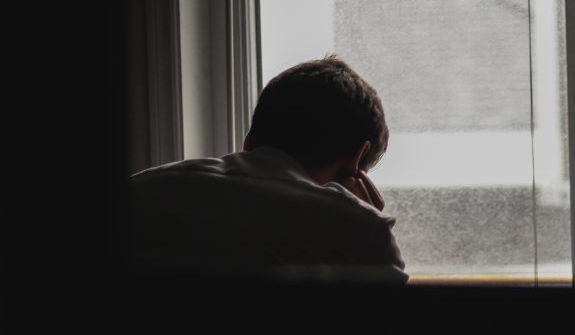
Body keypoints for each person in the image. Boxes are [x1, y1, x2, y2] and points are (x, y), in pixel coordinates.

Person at [126, 55, 407, 283]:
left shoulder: (137, 192)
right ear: (356, 162)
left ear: (248, 141)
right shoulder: (359, 234)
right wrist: (359, 215)